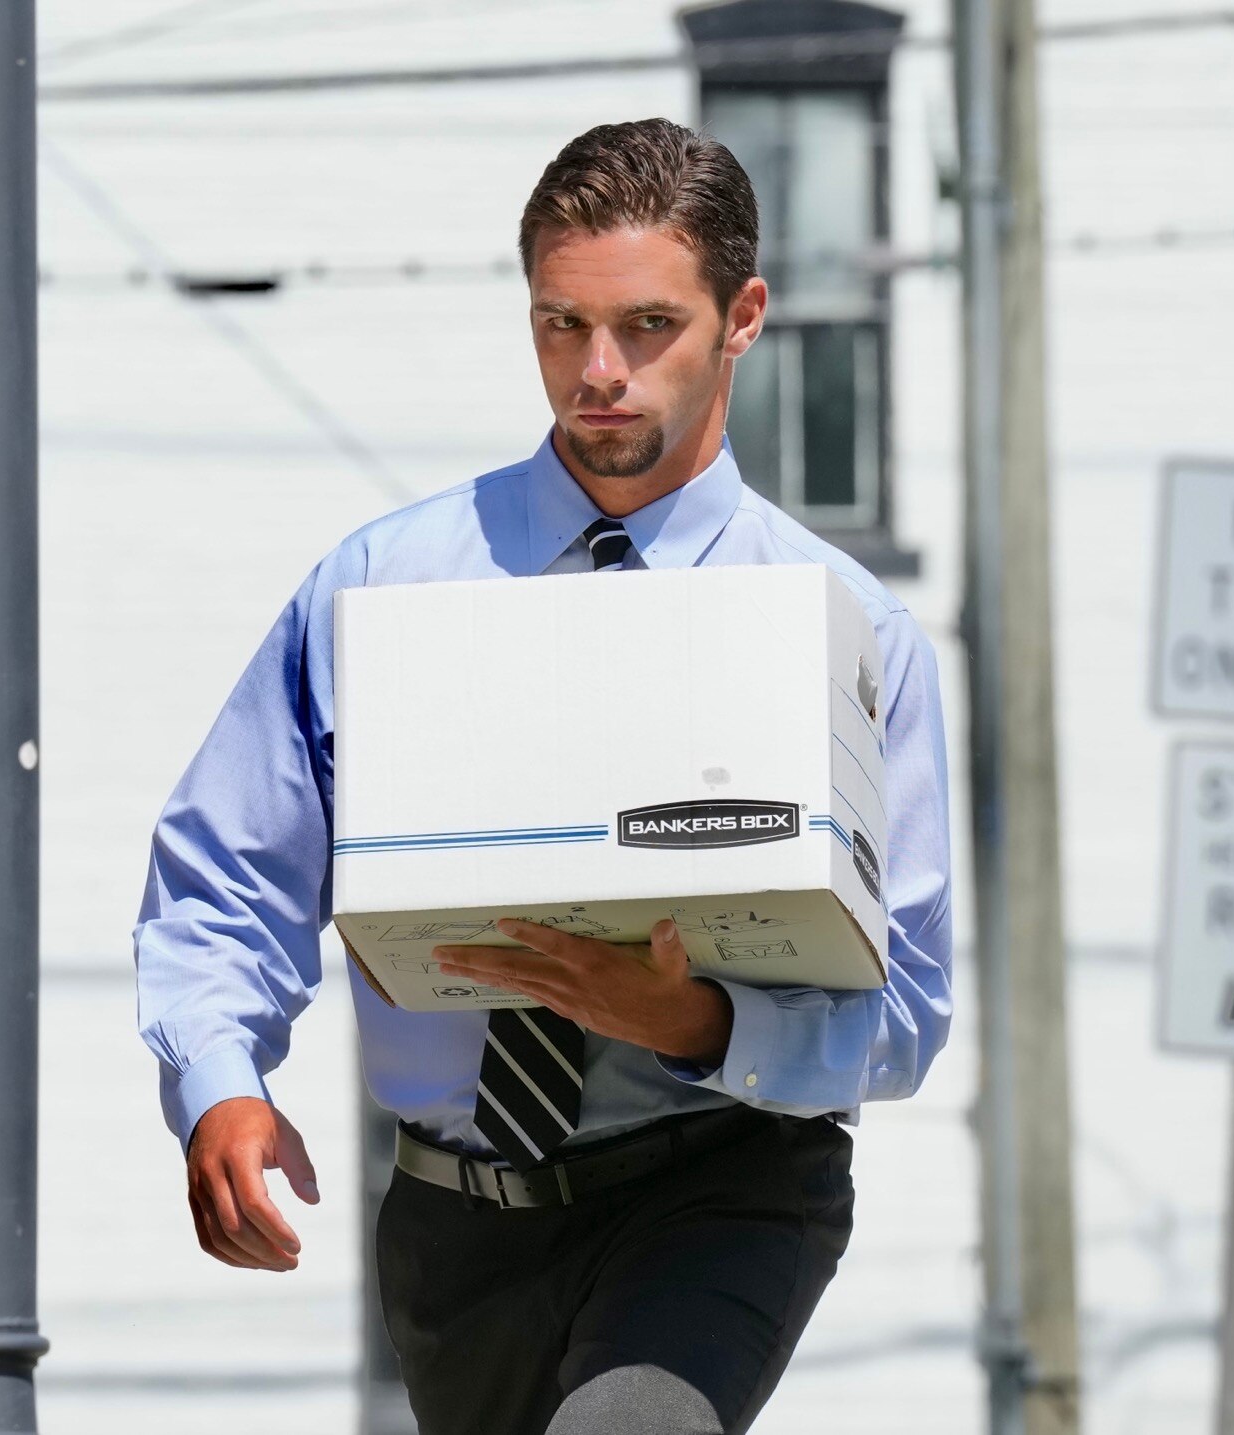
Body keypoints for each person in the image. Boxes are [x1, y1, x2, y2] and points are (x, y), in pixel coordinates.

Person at [132, 117, 952, 1435]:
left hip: (726, 1185)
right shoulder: (381, 592)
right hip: (457, 1223)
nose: (599, 372)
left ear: (743, 318)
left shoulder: (844, 635)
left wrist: (694, 1023)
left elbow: (906, 1015)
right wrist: (219, 1080)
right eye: (561, 326)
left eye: (646, 326)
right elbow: (228, 873)